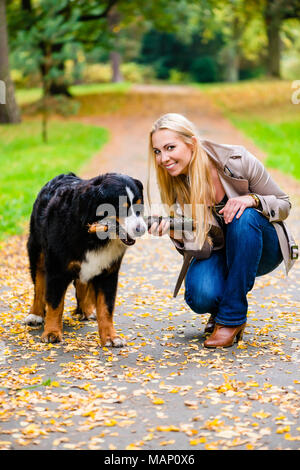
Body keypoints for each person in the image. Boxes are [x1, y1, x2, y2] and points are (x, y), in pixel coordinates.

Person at [147, 113, 298, 348]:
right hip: (219, 251)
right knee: (199, 296)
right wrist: (176, 234)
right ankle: (223, 307)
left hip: (262, 246)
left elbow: (284, 204)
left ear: (192, 143)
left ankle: (230, 319)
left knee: (244, 215)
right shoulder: (175, 181)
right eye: (157, 151)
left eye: (170, 147)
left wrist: (253, 200)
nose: (163, 158)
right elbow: (201, 248)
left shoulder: (236, 160)